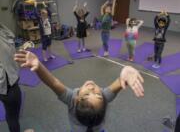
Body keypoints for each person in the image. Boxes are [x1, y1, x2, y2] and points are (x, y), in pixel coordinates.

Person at [14, 49, 144, 132]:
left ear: (76, 99)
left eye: (87, 94)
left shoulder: (71, 99)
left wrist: (39, 67)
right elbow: (119, 83)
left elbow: (53, 83)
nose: (92, 88)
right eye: (98, 94)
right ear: (104, 101)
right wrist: (125, 74)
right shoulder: (102, 99)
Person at [0, 23, 22, 132]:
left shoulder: (3, 31)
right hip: (8, 87)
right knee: (13, 116)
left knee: (10, 113)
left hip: (6, 86)